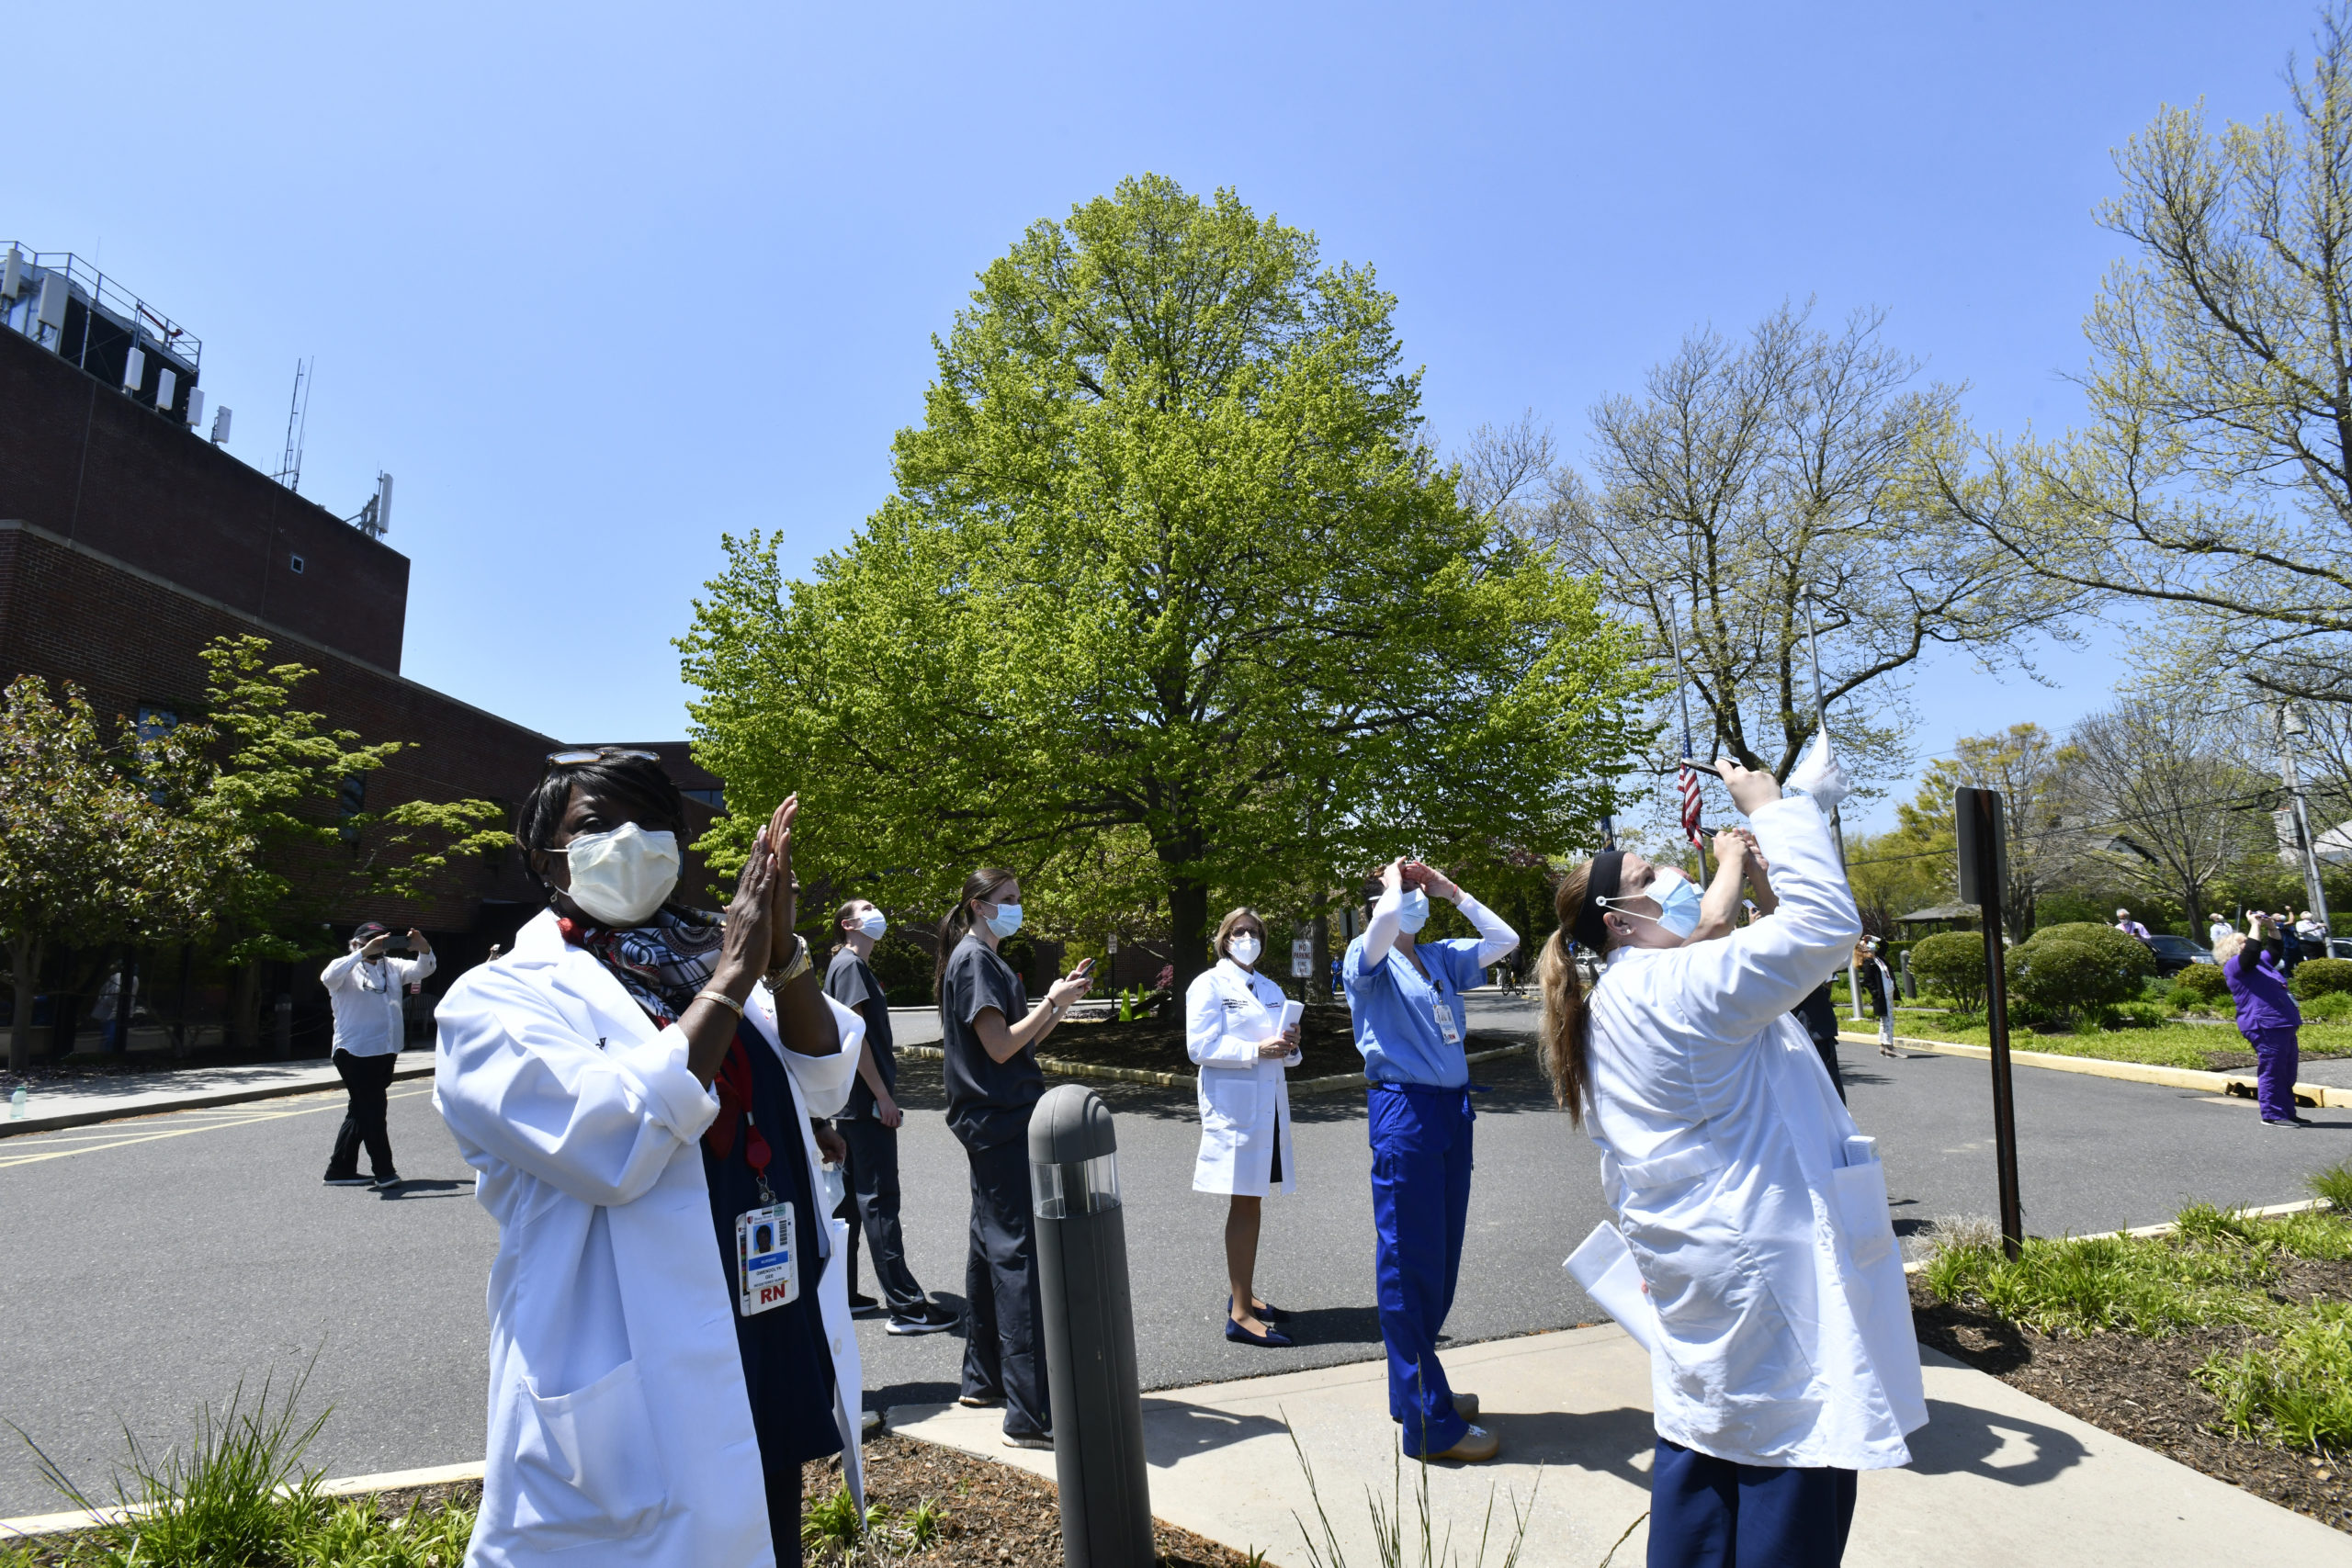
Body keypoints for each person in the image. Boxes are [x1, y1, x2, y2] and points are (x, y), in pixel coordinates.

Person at [435, 750, 867, 1565]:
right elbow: (609, 1143)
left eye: (650, 823)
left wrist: (783, 956)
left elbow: (821, 1077)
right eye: (596, 825)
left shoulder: (705, 959)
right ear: (544, 859)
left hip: (763, 1315)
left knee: (765, 1522)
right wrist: (736, 975)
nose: (630, 841)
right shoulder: (498, 999)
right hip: (632, 1358)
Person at [1536, 764, 1925, 1567]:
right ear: (1618, 918)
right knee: (1790, 1459)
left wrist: (1751, 863)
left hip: (1707, 1268)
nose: (1674, 877)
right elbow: (1823, 928)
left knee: (1707, 1456)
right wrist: (1771, 808)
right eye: (1651, 875)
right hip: (1765, 1277)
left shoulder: (1629, 992)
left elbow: (1744, 930)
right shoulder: (1680, 987)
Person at [1343, 858, 1520, 1462]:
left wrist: (1453, 891)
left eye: (1421, 892)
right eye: (1407, 892)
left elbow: (1506, 940)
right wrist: (1396, 884)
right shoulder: (1365, 957)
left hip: (1451, 1113)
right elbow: (1386, 921)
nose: (1417, 899)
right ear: (1378, 900)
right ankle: (1428, 1422)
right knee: (1407, 1264)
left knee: (1439, 1260)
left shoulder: (1439, 955)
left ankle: (1412, 1386)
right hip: (1405, 1114)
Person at [937, 867, 1095, 1450]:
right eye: (1006, 901)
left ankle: (983, 1381)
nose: (1016, 908)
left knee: (989, 1246)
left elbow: (1015, 1042)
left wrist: (1058, 1005)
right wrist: (1049, 1001)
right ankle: (1030, 1414)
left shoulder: (984, 959)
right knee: (1017, 1256)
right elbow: (1001, 1048)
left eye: (1018, 900)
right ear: (978, 906)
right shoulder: (975, 961)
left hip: (994, 1121)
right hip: (1000, 1124)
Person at [825, 898, 956, 1336]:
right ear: (849, 924)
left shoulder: (850, 967)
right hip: (865, 1106)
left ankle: (843, 1295)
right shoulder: (849, 967)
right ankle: (908, 1308)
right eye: (867, 908)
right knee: (879, 1202)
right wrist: (883, 1096)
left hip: (854, 1107)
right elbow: (855, 1038)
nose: (878, 910)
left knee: (852, 1205)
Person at [1184, 908, 1302, 1347]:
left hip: (1267, 1106)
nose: (1247, 937)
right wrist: (1257, 1049)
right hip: (1236, 1110)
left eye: (1254, 931)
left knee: (1252, 1202)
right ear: (1224, 939)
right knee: (1246, 1204)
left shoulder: (1271, 989)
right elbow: (1200, 1047)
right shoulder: (1208, 985)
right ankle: (1238, 1314)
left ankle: (1246, 1295)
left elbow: (1283, 1052)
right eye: (1239, 931)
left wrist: (1290, 1046)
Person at [321, 922, 435, 1190]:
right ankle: (384, 1171)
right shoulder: (344, 967)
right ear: (357, 942)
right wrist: (361, 954)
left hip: (386, 1049)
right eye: (371, 940)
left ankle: (339, 1169)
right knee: (373, 1110)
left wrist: (423, 948)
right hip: (354, 1051)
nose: (378, 945)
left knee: (360, 1110)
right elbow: (328, 978)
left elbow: (424, 969)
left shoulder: (393, 966)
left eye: (381, 940)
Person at [2220, 916, 2307, 1128]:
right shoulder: (2235, 966)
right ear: (2233, 948)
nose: (2248, 942)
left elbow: (2275, 949)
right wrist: (2254, 925)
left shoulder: (2261, 963)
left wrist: (2271, 927)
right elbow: (2251, 951)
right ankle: (2272, 1114)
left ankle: (2286, 1111)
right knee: (2273, 1070)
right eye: (2242, 941)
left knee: (2287, 1071)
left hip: (2282, 1023)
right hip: (2264, 1024)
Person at [1858, 939, 1898, 1058]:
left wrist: (1873, 938)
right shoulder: (1867, 962)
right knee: (1888, 1020)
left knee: (1885, 1019)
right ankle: (1889, 1046)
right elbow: (1868, 980)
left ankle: (1883, 1046)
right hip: (1881, 995)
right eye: (1866, 945)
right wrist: (1875, 993)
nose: (1870, 946)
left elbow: (1885, 944)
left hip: (1888, 992)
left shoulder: (1879, 958)